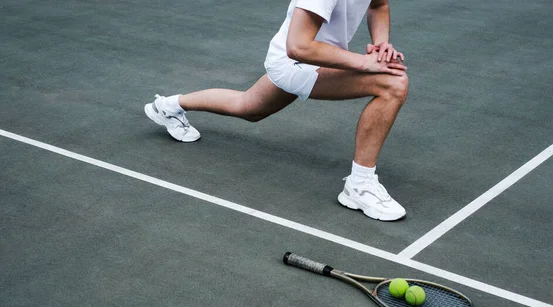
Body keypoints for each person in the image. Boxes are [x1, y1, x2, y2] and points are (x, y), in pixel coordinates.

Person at [145, 0, 409, 221]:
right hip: (293, 62)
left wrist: (379, 46)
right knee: (393, 84)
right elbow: (299, 46)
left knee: (249, 107)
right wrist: (364, 63)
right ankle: (360, 185)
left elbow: (378, 5)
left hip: (320, 58)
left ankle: (168, 106)